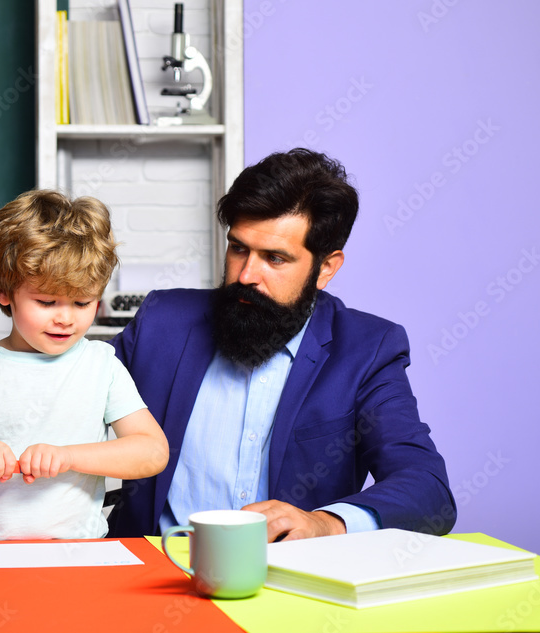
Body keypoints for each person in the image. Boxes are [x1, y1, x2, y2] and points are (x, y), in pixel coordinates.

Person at [108, 148, 456, 542]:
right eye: (238, 248)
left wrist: (324, 523)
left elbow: (427, 489)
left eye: (274, 258)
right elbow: (66, 390)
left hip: (289, 583)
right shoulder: (161, 321)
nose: (246, 275)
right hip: (151, 574)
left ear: (326, 267)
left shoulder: (368, 349)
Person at [0, 190, 169, 541]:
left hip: (77, 555)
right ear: (3, 291)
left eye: (82, 302)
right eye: (46, 301)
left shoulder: (101, 366)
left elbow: (152, 451)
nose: (65, 318)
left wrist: (68, 457)